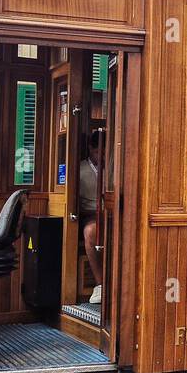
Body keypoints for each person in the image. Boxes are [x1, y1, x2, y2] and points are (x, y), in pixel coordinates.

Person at [80, 128, 106, 305]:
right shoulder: (79, 170)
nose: (101, 157)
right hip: (90, 215)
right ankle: (100, 285)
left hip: (111, 215)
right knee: (91, 231)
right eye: (98, 152)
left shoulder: (113, 168)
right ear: (91, 148)